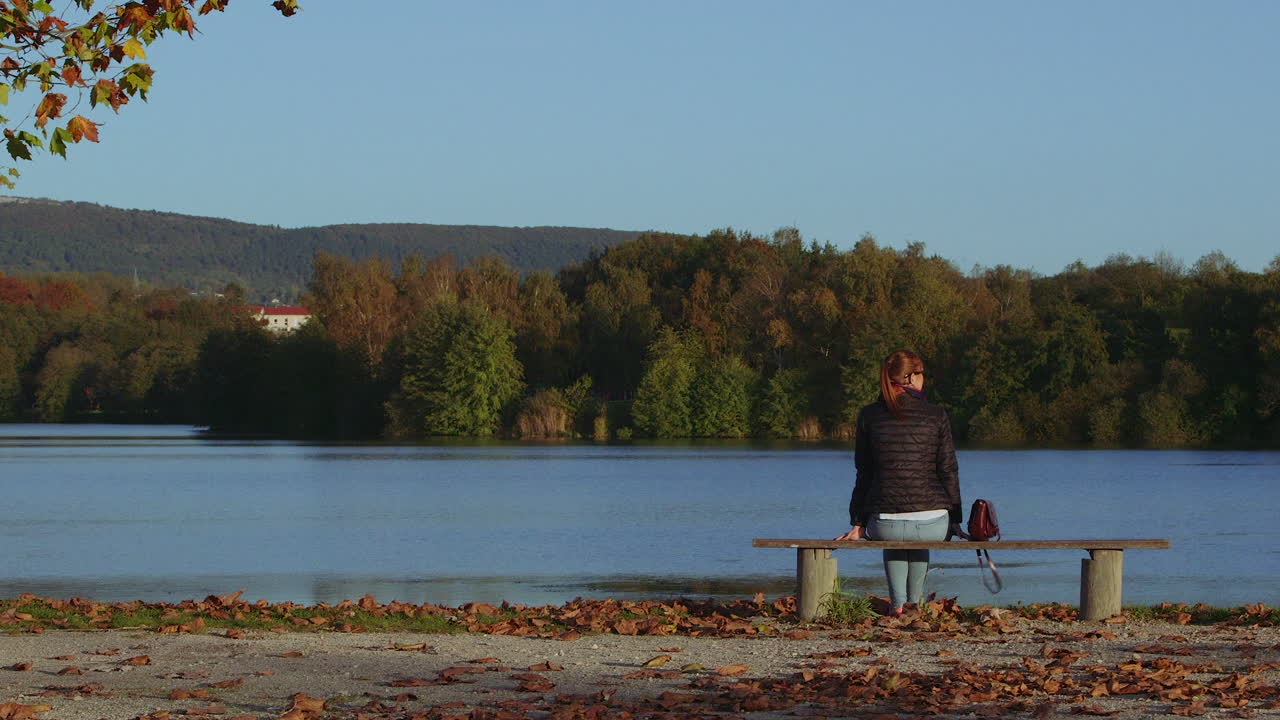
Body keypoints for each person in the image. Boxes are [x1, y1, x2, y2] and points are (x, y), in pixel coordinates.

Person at [834, 349, 962, 615]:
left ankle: (898, 606)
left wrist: (857, 523)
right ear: (912, 378)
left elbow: (864, 473)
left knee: (896, 535)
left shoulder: (869, 415)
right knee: (918, 536)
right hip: (933, 522)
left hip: (884, 522)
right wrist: (955, 520)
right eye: (922, 375)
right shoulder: (936, 414)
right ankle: (915, 604)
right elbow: (948, 469)